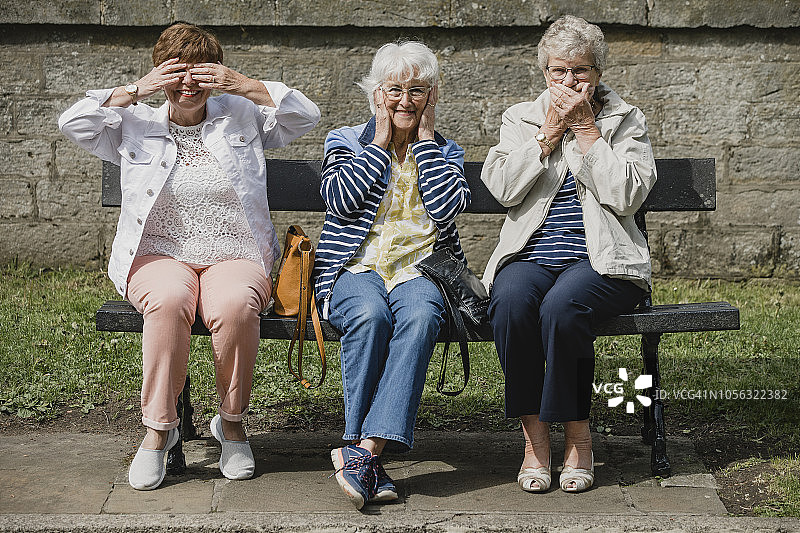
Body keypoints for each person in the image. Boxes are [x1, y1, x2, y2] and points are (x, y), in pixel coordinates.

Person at [58, 22, 320, 490]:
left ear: (215, 74)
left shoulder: (240, 114)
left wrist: (246, 85)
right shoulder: (134, 121)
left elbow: (304, 116)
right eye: (176, 73)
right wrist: (136, 90)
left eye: (199, 74)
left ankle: (232, 424)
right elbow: (73, 121)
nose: (187, 86)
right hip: (158, 254)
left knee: (236, 305)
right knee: (168, 302)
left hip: (235, 252)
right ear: (161, 75)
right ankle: (159, 431)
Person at [481, 15, 657, 493]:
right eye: (559, 71)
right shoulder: (521, 117)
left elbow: (627, 195)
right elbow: (500, 188)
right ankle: (534, 439)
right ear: (545, 73)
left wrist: (585, 130)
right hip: (531, 257)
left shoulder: (625, 120)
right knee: (513, 301)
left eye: (579, 71)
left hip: (602, 261)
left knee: (563, 306)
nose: (569, 82)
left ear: (597, 74)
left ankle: (578, 436)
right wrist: (547, 135)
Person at [313, 40, 470, 509]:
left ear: (432, 97)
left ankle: (363, 452)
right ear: (375, 94)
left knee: (422, 317)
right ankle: (369, 458)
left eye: (417, 90)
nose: (405, 100)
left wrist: (423, 146)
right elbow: (341, 201)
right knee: (369, 315)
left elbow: (447, 210)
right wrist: (380, 143)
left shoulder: (446, 150)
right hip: (354, 267)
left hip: (420, 269)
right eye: (394, 90)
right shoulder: (344, 141)